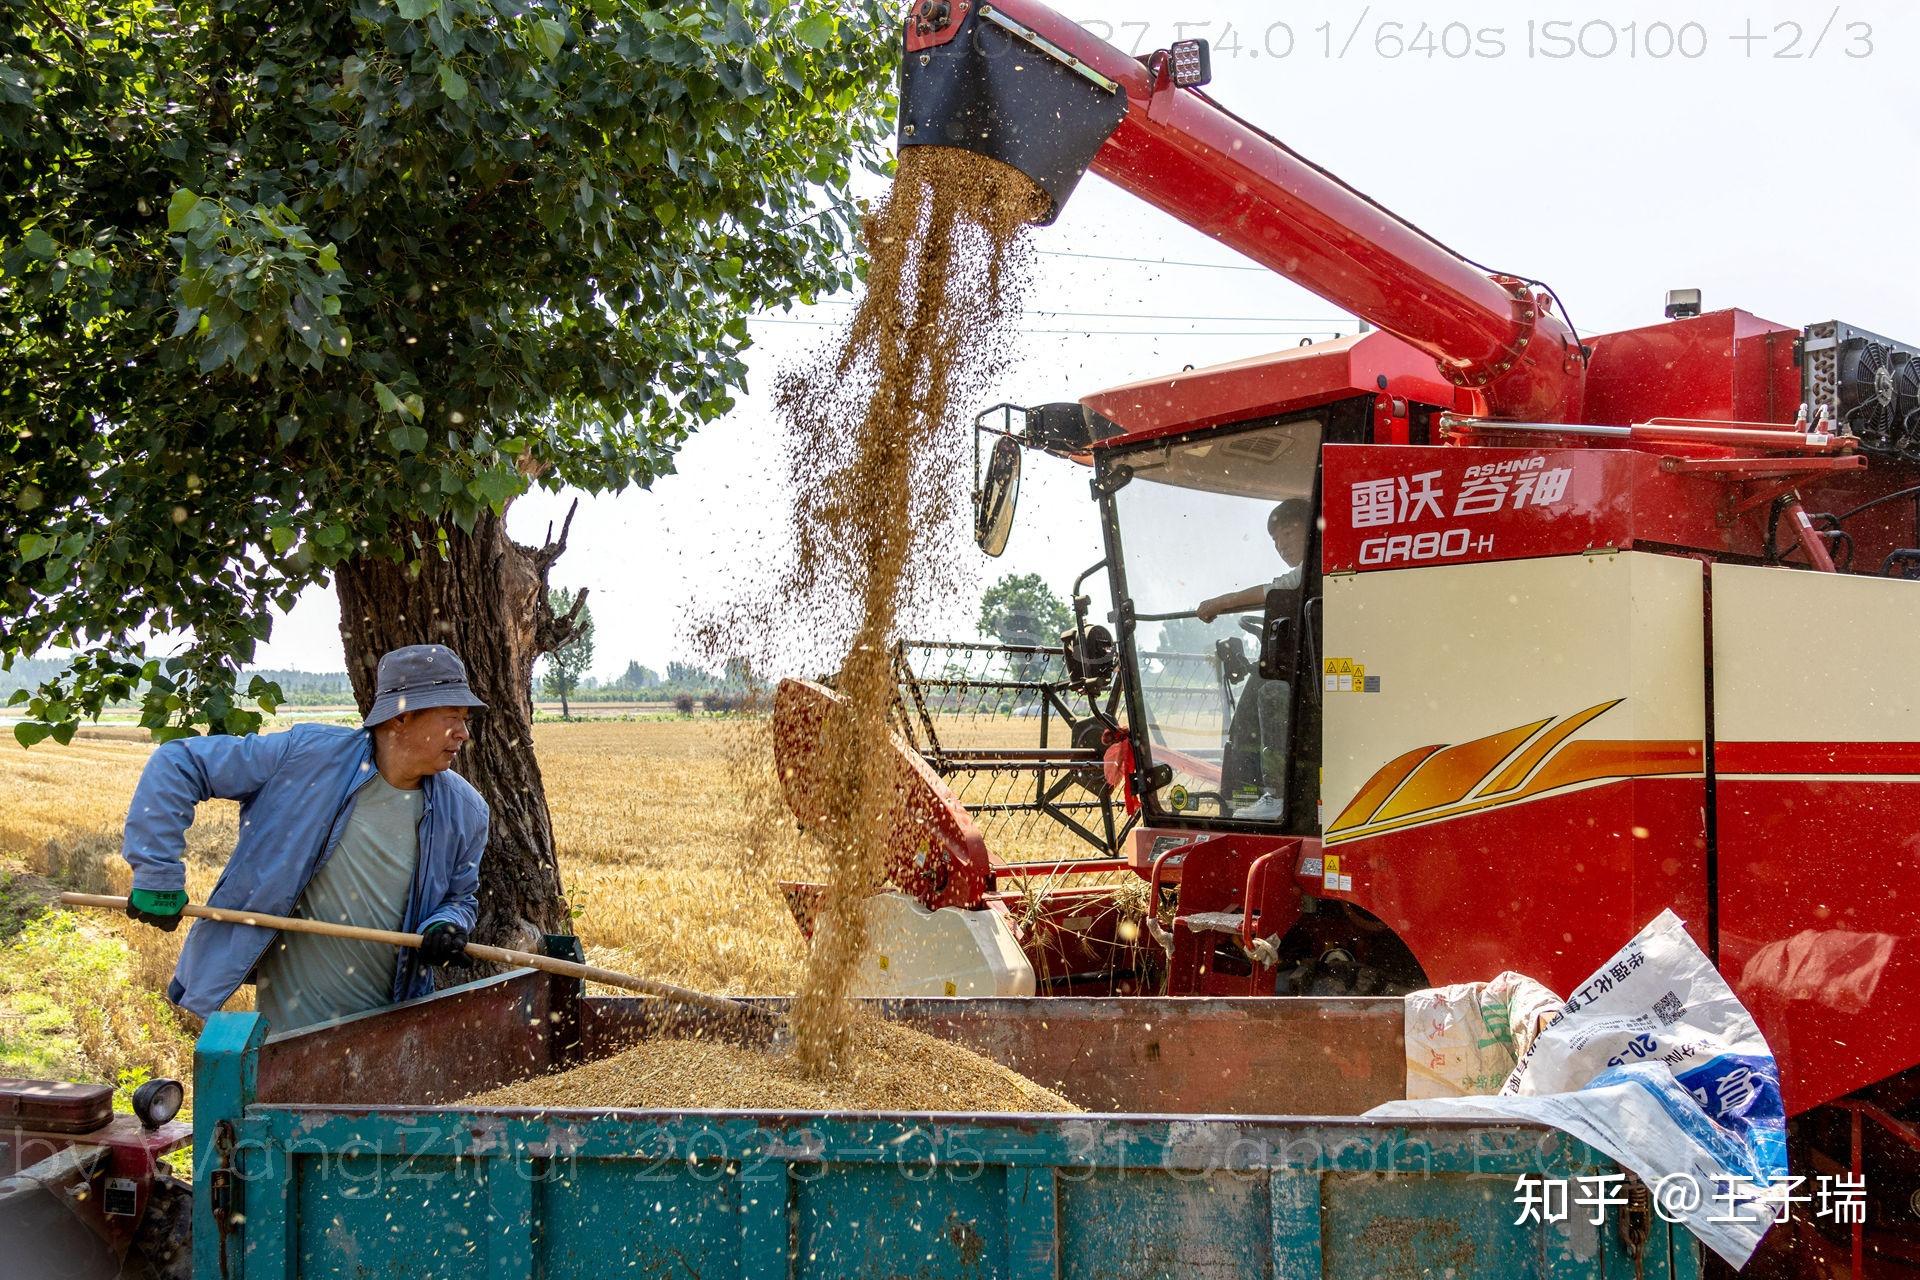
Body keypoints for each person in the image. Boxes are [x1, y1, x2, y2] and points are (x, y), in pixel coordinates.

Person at [119, 644, 492, 1032]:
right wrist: (157, 874)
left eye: (465, 720)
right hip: (289, 1034)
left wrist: (445, 925)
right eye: (452, 718)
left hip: (392, 1035)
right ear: (401, 717)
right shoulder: (305, 757)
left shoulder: (466, 811)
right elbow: (179, 763)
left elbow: (459, 898)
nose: (464, 733)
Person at [1193, 498, 1310, 821]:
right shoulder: (1311, 573)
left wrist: (1219, 603)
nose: (1281, 545)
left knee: (1272, 692)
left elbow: (1276, 590)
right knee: (1264, 678)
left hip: (1330, 679)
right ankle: (1250, 789)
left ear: (1312, 528)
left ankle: (1277, 794)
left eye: (1288, 533)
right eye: (1275, 540)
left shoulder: (1319, 565)